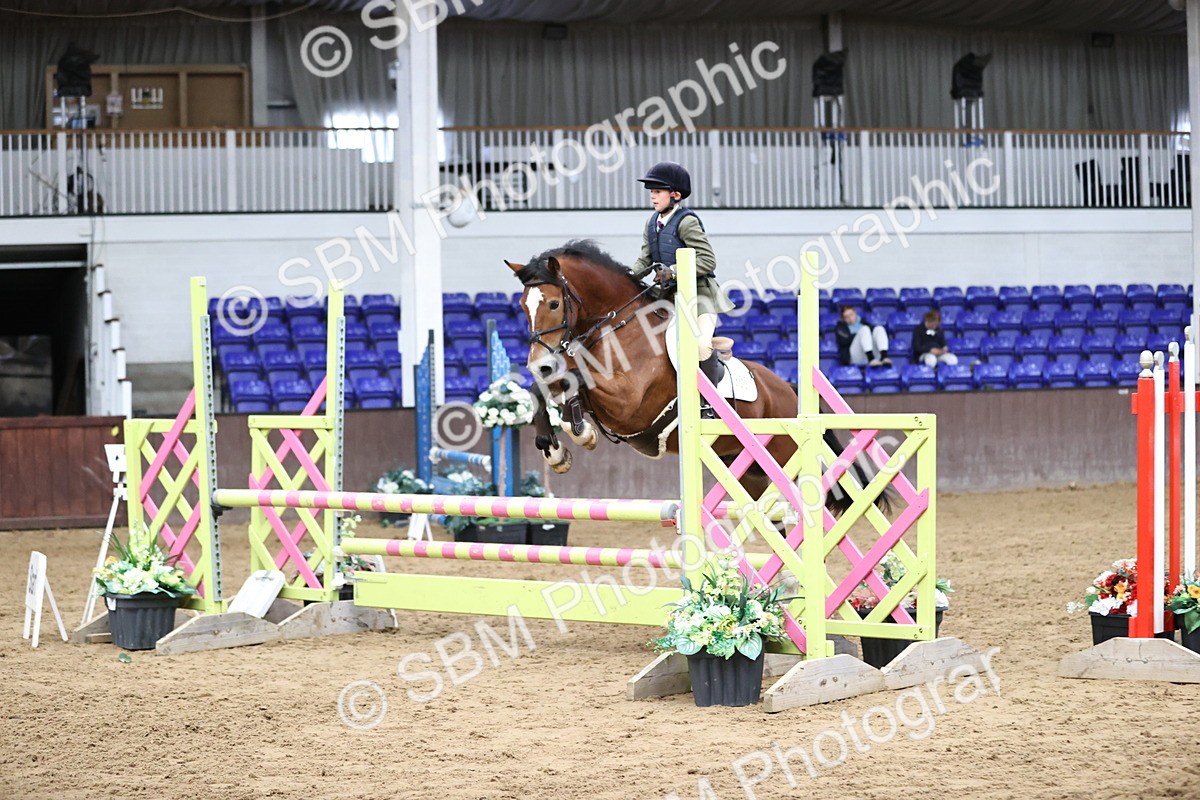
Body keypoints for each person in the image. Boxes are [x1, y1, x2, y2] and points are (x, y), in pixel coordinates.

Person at [631, 161, 733, 417]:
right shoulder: (651, 223)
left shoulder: (686, 222)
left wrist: (674, 271)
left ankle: (709, 405)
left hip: (700, 297)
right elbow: (645, 260)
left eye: (658, 191)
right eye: (651, 191)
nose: (652, 196)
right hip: (668, 298)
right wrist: (627, 276)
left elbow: (708, 260)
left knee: (700, 345)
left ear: (675, 194)